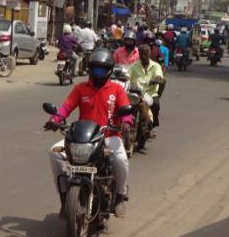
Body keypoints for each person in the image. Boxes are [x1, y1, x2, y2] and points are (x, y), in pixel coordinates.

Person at [46, 49, 133, 217]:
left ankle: (120, 196)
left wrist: (126, 122)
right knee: (54, 153)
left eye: (101, 69)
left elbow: (126, 110)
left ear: (108, 70)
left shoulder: (117, 89)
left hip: (109, 136)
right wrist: (54, 120)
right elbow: (66, 107)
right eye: (94, 69)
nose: (97, 73)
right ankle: (65, 198)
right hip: (84, 138)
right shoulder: (80, 88)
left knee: (121, 159)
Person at [129, 44, 165, 130]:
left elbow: (159, 76)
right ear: (139, 54)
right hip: (136, 93)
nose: (143, 56)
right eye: (141, 54)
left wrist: (156, 79)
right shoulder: (134, 65)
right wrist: (123, 77)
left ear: (149, 54)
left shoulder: (156, 66)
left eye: (145, 54)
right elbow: (127, 74)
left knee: (156, 105)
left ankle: (154, 123)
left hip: (150, 93)